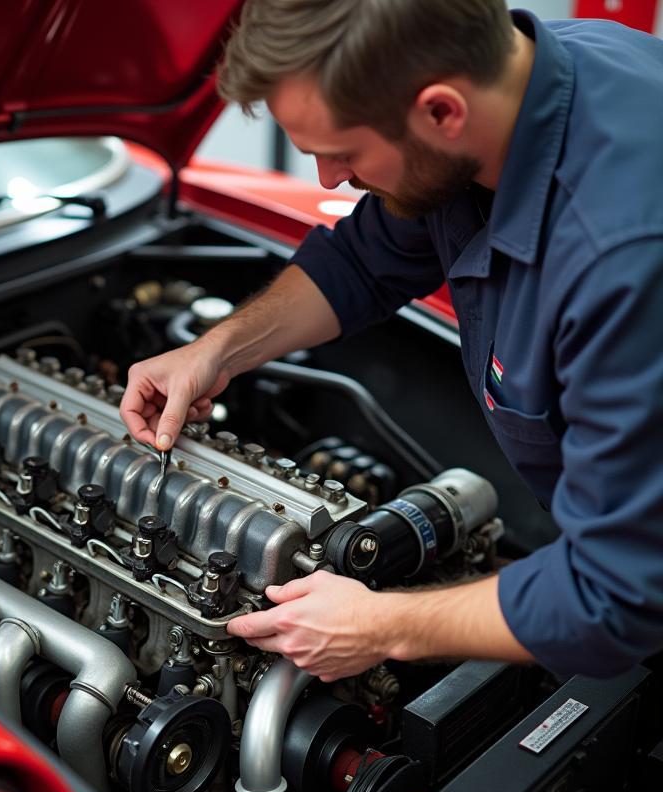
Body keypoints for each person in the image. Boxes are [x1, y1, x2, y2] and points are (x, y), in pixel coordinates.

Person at [119, 0, 663, 683]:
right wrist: (215, 351)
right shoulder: (514, 79)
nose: (327, 179)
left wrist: (380, 625)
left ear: (441, 111)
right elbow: (363, 260)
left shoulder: (622, 261)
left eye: (341, 152)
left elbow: (618, 594)